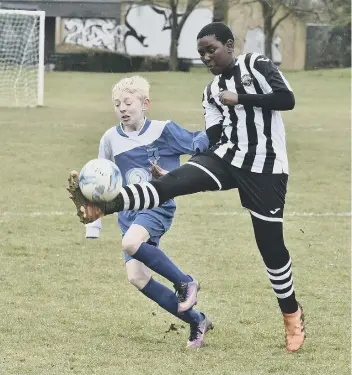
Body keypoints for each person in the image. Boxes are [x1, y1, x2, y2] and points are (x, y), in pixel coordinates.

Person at [71, 23, 305, 352]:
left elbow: (287, 99)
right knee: (168, 184)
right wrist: (188, 166)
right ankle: (107, 205)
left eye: (212, 50)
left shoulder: (256, 65)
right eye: (201, 54)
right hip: (225, 158)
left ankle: (291, 315)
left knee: (272, 250)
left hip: (265, 168)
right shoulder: (210, 92)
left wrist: (240, 98)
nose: (207, 57)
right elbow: (212, 137)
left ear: (229, 44)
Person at [82, 75, 213, 349]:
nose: (122, 108)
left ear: (145, 104)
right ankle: (197, 320)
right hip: (127, 213)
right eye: (117, 104)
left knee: (130, 243)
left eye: (128, 103)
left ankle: (186, 282)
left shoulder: (163, 130)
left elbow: (199, 139)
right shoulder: (109, 139)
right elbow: (101, 181)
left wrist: (183, 169)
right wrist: (92, 225)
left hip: (156, 206)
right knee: (136, 277)